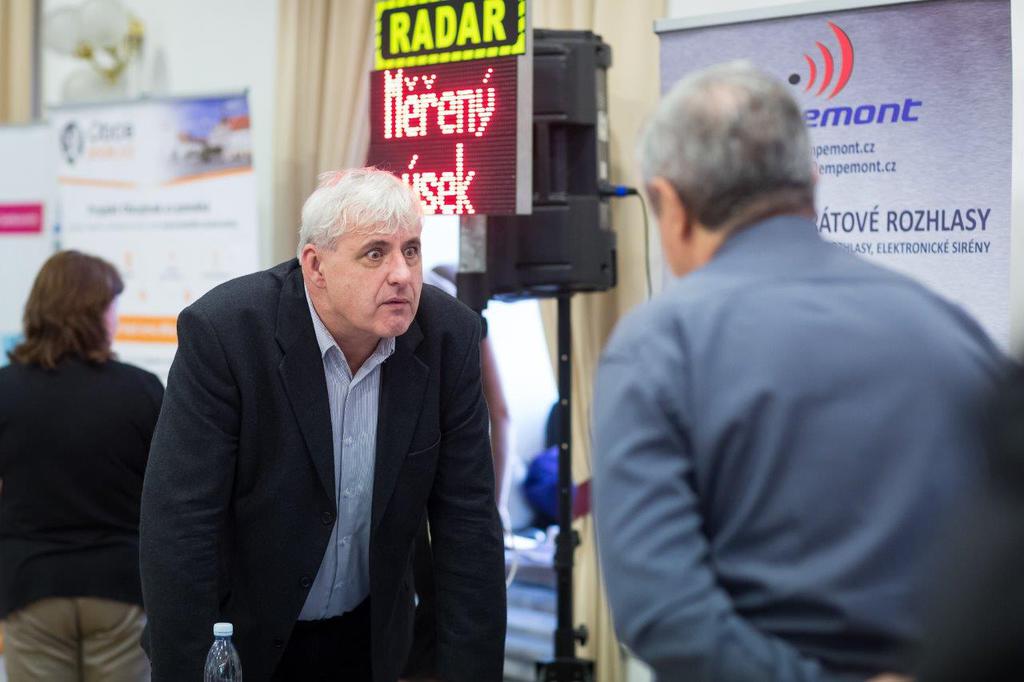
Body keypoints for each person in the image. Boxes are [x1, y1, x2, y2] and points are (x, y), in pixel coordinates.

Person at [591, 61, 1005, 682]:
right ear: (811, 183)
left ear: (671, 205)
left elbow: (663, 613)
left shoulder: (658, 345)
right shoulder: (953, 330)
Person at [140, 168, 506, 682]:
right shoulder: (226, 333)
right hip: (242, 637)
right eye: (375, 253)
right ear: (316, 266)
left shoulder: (450, 335)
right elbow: (181, 525)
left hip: (369, 639)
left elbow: (467, 523)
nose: (402, 274)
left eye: (411, 250)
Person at [0, 251, 163, 682]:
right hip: (120, 588)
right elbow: (165, 493)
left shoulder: (6, 390)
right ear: (94, 312)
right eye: (113, 305)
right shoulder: (141, 390)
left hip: (30, 586)